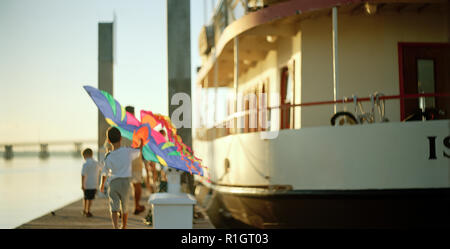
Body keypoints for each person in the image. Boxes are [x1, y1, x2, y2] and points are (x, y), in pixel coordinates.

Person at [99, 127, 144, 229]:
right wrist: (141, 143)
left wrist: (102, 185)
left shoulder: (108, 156)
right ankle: (123, 226)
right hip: (126, 183)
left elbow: (105, 172)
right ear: (121, 139)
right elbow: (138, 152)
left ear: (109, 141)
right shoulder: (127, 151)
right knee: (125, 205)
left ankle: (115, 226)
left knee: (114, 207)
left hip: (113, 183)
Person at [123, 106, 146, 215]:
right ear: (133, 113)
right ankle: (136, 206)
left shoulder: (121, 126)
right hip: (136, 157)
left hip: (124, 158)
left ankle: (122, 208)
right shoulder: (138, 127)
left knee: (124, 184)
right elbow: (142, 143)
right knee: (137, 184)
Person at [81, 148, 101, 217]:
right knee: (90, 198)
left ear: (85, 155)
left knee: (85, 197)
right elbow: (102, 169)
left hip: (86, 184)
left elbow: (83, 175)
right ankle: (88, 210)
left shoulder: (85, 164)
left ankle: (84, 209)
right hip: (94, 184)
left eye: (83, 156)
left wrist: (82, 184)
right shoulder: (97, 163)